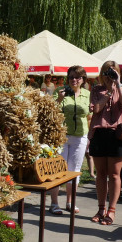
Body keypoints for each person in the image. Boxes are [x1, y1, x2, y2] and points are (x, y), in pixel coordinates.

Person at [87, 61, 122, 225]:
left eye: (111, 72)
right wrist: (108, 94)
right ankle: (100, 209)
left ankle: (111, 210)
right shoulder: (96, 89)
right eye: (105, 72)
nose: (108, 76)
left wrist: (118, 84)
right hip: (100, 133)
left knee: (114, 175)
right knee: (101, 174)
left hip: (117, 134)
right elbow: (96, 109)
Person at [48, 66, 91, 215]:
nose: (74, 80)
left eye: (78, 77)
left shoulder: (87, 94)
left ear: (83, 79)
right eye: (71, 77)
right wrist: (60, 98)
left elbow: (89, 116)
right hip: (61, 136)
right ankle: (54, 203)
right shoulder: (60, 91)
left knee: (74, 170)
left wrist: (89, 136)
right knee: (58, 170)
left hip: (80, 136)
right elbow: (51, 111)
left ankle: (70, 201)